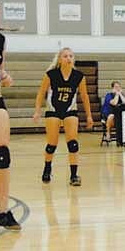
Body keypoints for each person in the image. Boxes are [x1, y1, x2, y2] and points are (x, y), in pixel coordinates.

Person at [33, 47, 94, 186]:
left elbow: (84, 96)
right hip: (53, 110)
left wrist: (89, 116)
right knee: (51, 144)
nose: (68, 58)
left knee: (73, 144)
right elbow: (41, 93)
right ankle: (47, 168)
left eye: (71, 56)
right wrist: (37, 111)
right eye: (65, 56)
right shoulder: (51, 74)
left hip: (70, 110)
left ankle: (74, 176)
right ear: (60, 59)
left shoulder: (79, 76)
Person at [0, 0, 19, 230]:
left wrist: (5, 77)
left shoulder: (0, 40)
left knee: (1, 150)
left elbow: (0, 70)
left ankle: (2, 212)